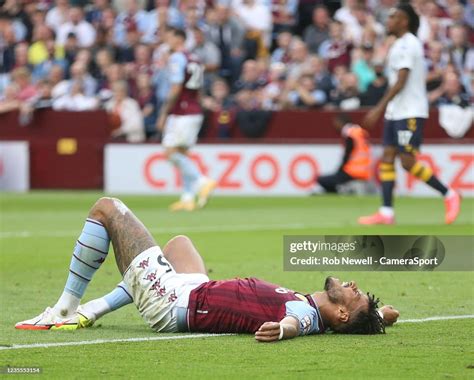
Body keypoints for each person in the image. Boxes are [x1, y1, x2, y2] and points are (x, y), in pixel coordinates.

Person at [15, 197, 399, 340]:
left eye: (354, 292)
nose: (351, 283)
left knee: (107, 208)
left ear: (344, 311)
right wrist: (380, 314)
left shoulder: (303, 315)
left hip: (173, 303)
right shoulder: (320, 310)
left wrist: (282, 331)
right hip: (199, 292)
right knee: (179, 245)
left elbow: (292, 324)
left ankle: (65, 309)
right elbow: (357, 318)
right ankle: (92, 311)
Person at [359, 3, 461, 225]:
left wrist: (378, 107)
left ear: (404, 21)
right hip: (396, 111)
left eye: (393, 17)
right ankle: (386, 212)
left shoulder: (409, 44)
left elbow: (402, 81)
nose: (388, 20)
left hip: (410, 111)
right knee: (387, 157)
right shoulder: (397, 44)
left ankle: (449, 194)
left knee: (406, 161)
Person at [155, 27, 216, 211]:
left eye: (169, 36)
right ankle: (188, 198)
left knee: (170, 152)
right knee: (181, 153)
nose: (166, 39)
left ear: (178, 38)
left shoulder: (177, 57)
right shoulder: (195, 58)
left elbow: (175, 88)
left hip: (181, 111)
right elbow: (198, 88)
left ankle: (201, 181)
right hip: (194, 110)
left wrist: (164, 113)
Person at [312, 114, 371, 194]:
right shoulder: (360, 131)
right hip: (365, 172)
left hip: (351, 172)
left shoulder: (350, 133)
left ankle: (341, 191)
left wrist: (340, 170)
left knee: (321, 179)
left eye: (336, 123)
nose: (335, 126)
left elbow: (347, 154)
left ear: (340, 122)